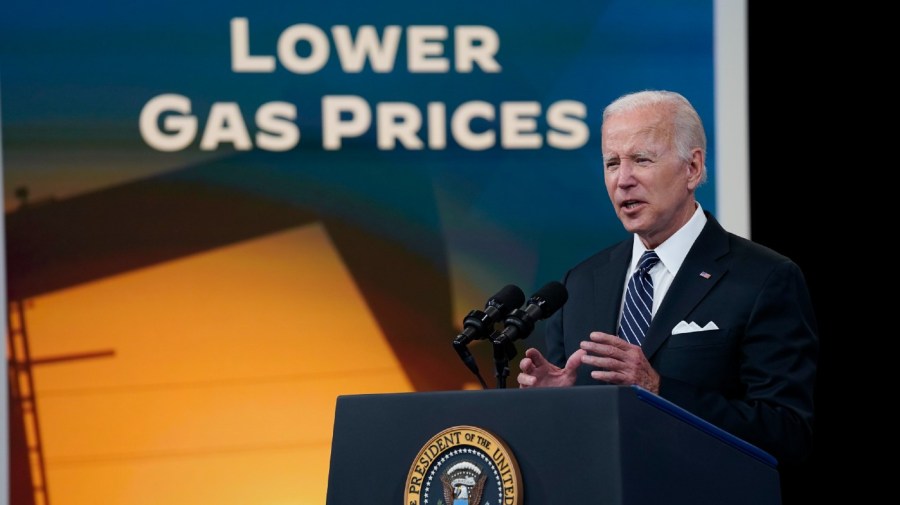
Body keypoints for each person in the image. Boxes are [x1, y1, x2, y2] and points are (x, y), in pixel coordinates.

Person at [516, 90, 818, 466]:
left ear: (692, 168)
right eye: (612, 163)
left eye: (641, 160)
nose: (623, 180)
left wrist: (658, 389)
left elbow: (787, 433)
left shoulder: (764, 279)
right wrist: (556, 402)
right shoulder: (581, 283)